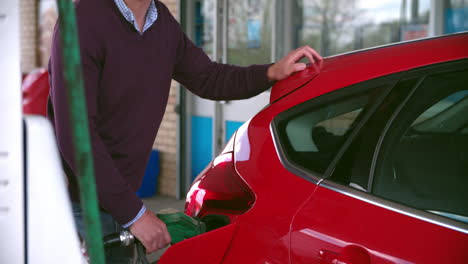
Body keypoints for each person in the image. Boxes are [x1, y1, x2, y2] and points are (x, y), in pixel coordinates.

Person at [48, 0, 322, 262]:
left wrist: (271, 72)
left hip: (119, 200)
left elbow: (209, 78)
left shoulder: (161, 22)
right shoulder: (83, 22)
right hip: (77, 206)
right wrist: (135, 215)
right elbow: (76, 136)